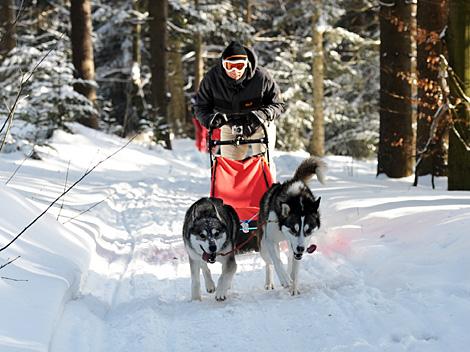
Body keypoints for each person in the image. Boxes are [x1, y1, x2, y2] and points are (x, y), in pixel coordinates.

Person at [193, 41, 284, 168]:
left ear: (246, 64)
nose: (235, 71)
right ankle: (232, 188)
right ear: (223, 65)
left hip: (259, 125)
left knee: (263, 164)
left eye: (240, 65)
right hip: (230, 126)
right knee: (229, 167)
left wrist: (261, 115)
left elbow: (278, 104)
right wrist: (211, 119)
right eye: (230, 66)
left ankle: (267, 186)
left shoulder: (261, 77)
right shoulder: (212, 79)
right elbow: (200, 107)